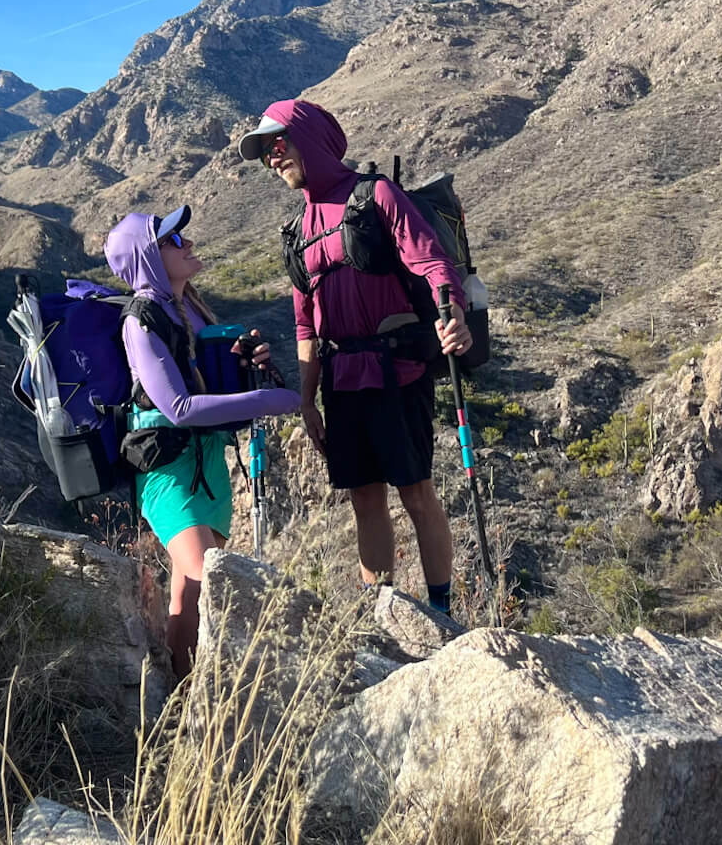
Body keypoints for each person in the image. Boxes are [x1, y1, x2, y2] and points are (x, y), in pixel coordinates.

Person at [236, 100, 473, 612]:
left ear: (309, 138)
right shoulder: (297, 231)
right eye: (265, 155)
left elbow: (430, 259)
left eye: (278, 145)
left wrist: (450, 311)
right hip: (340, 383)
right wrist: (305, 401)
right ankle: (380, 613)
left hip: (398, 372)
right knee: (364, 498)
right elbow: (305, 323)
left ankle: (441, 612)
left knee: (416, 493)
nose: (273, 160)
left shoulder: (375, 196)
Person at [105, 205, 300, 677]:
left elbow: (205, 386)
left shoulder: (188, 307)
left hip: (206, 464)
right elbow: (179, 408)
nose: (188, 243)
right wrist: (268, 400)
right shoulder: (142, 321)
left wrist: (242, 364)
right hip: (169, 471)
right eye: (174, 240)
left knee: (188, 593)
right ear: (148, 256)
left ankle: (180, 700)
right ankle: (186, 703)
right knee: (201, 580)